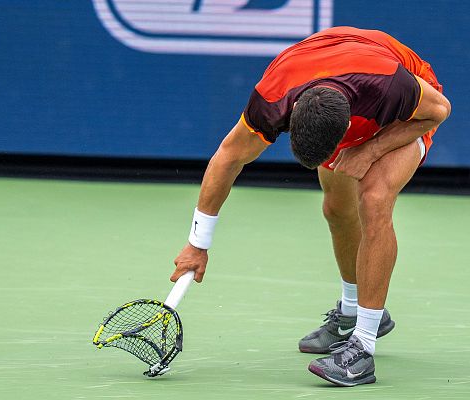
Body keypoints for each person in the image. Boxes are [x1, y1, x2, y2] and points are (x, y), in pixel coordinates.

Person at [170, 26, 451, 386]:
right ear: (294, 112)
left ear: (348, 126)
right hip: (334, 79)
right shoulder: (273, 97)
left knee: (374, 199)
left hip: (405, 110)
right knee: (336, 208)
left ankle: (362, 349)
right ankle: (353, 312)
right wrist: (198, 244)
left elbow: (439, 111)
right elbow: (228, 158)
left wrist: (370, 150)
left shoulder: (391, 86)